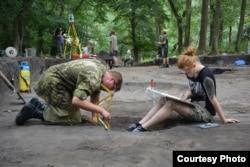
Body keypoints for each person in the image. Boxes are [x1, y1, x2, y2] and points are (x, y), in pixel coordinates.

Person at [128, 46, 240, 132]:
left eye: (187, 72)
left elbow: (213, 99)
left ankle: (144, 128)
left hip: (206, 113)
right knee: (163, 99)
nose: (186, 75)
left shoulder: (206, 76)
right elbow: (193, 90)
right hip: (194, 106)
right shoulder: (190, 73)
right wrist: (186, 95)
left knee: (171, 104)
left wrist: (224, 119)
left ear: (194, 65)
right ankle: (139, 123)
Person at [15, 59, 123, 125]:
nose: (108, 90)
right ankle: (35, 112)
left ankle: (37, 104)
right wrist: (101, 110)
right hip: (52, 83)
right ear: (111, 80)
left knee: (73, 111)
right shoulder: (93, 77)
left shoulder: (100, 69)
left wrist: (94, 117)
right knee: (73, 118)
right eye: (112, 88)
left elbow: (94, 96)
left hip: (58, 81)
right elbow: (77, 101)